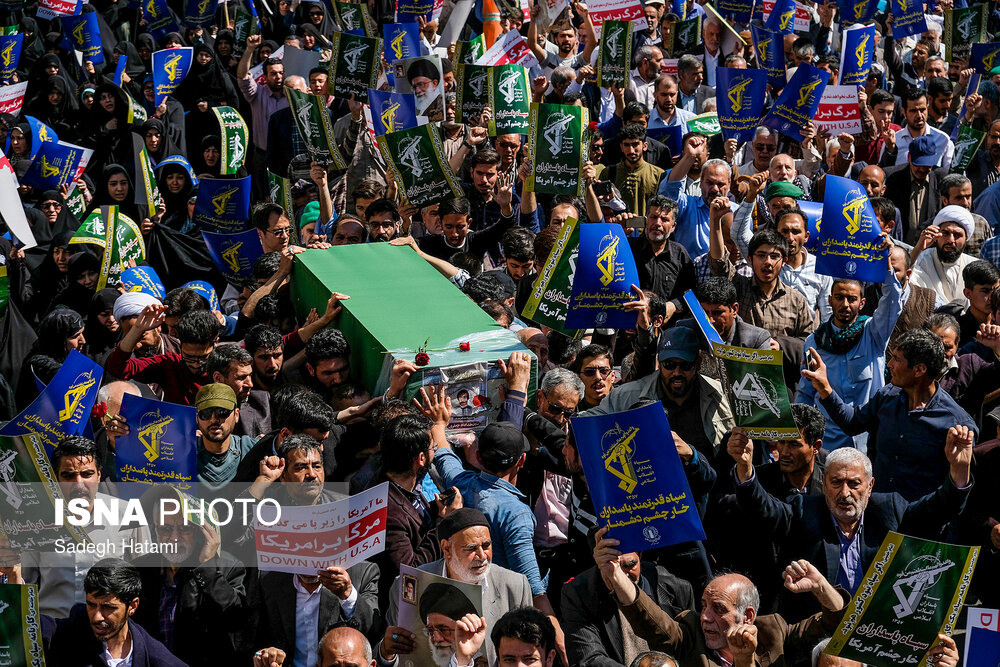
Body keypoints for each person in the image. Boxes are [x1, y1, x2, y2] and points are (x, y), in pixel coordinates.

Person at [729, 431, 973, 605]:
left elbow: (937, 510)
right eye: (836, 483)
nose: (844, 493)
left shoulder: (890, 509)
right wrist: (745, 469)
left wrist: (959, 470)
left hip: (876, 627)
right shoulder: (803, 510)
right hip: (818, 629)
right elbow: (763, 509)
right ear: (824, 485)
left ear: (870, 486)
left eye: (854, 484)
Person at [594, 529, 848, 667]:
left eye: (718, 608)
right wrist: (616, 576)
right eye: (704, 605)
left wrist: (821, 586)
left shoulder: (774, 633)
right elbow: (648, 619)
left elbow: (837, 626)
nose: (705, 616)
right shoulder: (690, 634)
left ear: (747, 615)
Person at [801, 328, 977, 501]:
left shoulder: (956, 425)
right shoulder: (888, 397)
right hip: (878, 515)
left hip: (920, 521)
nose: (889, 364)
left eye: (896, 359)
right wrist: (824, 387)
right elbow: (853, 422)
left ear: (919, 370)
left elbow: (958, 490)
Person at [251, 435, 382, 661]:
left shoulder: (360, 571)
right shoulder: (269, 576)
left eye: (317, 466)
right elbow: (254, 637)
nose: (311, 474)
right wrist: (263, 656)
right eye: (301, 467)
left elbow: (373, 630)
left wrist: (347, 595)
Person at [380, 508, 533, 666]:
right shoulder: (408, 584)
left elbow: (529, 651)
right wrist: (386, 653)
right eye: (471, 548)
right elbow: (390, 649)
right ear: (446, 549)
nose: (482, 556)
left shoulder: (514, 587)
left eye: (486, 546)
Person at [796, 248, 904, 452]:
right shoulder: (814, 342)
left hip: (868, 439)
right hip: (827, 441)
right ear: (829, 300)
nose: (845, 304)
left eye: (852, 299)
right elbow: (806, 394)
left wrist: (887, 267)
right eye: (839, 297)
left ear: (862, 303)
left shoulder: (873, 333)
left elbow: (892, 304)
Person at [562, 538, 696, 667]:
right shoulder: (580, 594)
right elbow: (588, 659)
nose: (622, 576)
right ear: (599, 563)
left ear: (640, 555)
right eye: (614, 567)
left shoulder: (677, 589)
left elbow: (689, 651)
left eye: (630, 565)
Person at [40, 558, 186, 666]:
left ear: (133, 606)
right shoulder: (73, 631)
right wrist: (15, 570)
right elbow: (25, 624)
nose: (97, 616)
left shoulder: (157, 659)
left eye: (108, 607)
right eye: (91, 605)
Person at [106, 305, 220, 405]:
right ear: (180, 345)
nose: (196, 365)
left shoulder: (227, 366)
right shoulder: (170, 365)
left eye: (203, 358)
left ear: (216, 343)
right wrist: (137, 329)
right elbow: (118, 368)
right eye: (189, 357)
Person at [909, 205, 979, 306]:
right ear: (937, 234)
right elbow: (901, 281)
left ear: (966, 238)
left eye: (957, 235)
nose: (950, 240)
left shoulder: (974, 266)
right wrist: (918, 249)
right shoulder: (921, 260)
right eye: (945, 233)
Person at [195, 383, 258, 490]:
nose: (214, 419)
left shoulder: (252, 449)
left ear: (236, 415)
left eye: (222, 412)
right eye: (206, 413)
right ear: (197, 418)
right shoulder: (183, 453)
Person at [206, 345, 272, 438]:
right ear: (218, 378)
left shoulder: (263, 403)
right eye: (241, 378)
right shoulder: (193, 417)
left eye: (250, 375)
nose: (250, 384)